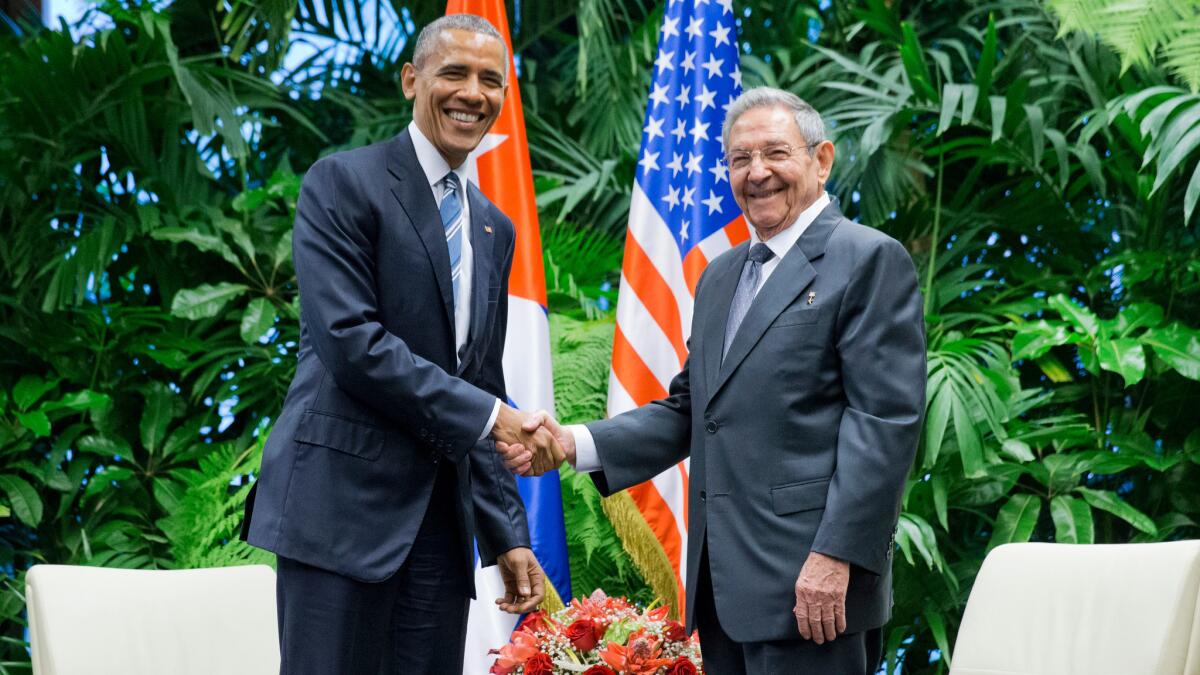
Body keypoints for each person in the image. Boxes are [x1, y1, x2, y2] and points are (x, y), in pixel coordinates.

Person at [501, 87, 926, 674]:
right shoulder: (720, 277)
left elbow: (884, 424)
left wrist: (835, 555)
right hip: (722, 589)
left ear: (821, 159)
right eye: (739, 159)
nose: (757, 173)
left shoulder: (868, 259)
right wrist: (573, 444)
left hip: (816, 590)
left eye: (775, 153)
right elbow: (693, 410)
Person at [241, 14, 564, 674]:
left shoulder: (494, 229)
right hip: (339, 515)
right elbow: (350, 340)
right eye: (454, 73)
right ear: (411, 80)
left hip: (439, 538)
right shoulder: (342, 183)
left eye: (490, 80)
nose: (473, 92)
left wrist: (507, 534)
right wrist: (491, 415)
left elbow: (481, 380)